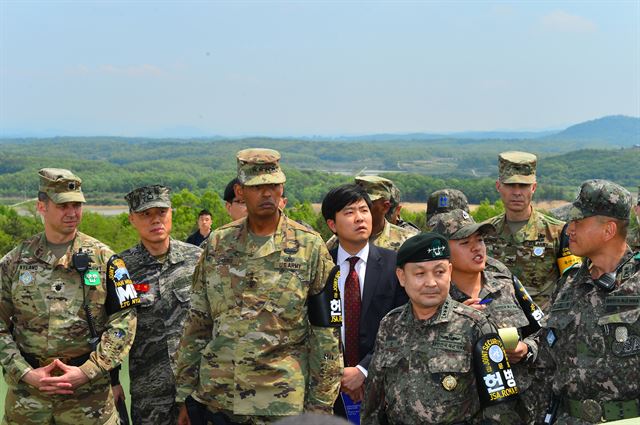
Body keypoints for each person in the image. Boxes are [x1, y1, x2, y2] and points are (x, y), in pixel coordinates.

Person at [174, 148, 342, 424]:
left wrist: (320, 407)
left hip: (279, 402)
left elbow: (326, 337)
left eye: (273, 186)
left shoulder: (309, 247)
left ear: (282, 188)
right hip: (218, 400)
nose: (267, 194)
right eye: (257, 187)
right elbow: (197, 323)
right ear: (240, 192)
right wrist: (185, 395)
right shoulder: (217, 244)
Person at [0, 168, 138, 425]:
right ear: (42, 206)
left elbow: (125, 320)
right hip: (28, 400)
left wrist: (89, 370)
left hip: (89, 400)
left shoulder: (106, 259)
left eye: (77, 205)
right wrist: (25, 372)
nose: (72, 213)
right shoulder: (14, 261)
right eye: (63, 205)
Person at [361, 233, 521, 424]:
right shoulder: (390, 324)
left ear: (450, 272)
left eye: (439, 272)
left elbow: (501, 408)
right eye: (420, 274)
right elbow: (373, 399)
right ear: (401, 276)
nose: (431, 283)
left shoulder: (476, 326)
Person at [431, 209, 544, 423]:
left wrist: (528, 348)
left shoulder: (505, 284)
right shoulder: (432, 298)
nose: (477, 247)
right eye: (465, 243)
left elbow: (544, 331)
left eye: (480, 240)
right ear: (442, 252)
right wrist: (455, 318)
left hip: (517, 414)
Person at [541, 179, 639, 424]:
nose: (569, 229)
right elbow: (546, 350)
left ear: (609, 230)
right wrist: (524, 349)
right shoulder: (568, 284)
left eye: (578, 222)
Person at [115, 185, 202, 425]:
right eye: (146, 214)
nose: (156, 220)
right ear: (132, 219)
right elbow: (113, 328)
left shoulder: (197, 260)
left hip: (198, 388)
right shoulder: (122, 268)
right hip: (149, 394)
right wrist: (113, 381)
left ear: (171, 213)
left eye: (161, 212)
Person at [320, 184, 407, 418]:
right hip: (328, 389)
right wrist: (340, 373)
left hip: (383, 384)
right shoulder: (320, 267)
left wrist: (362, 370)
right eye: (349, 212)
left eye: (364, 210)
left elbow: (404, 324)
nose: (360, 218)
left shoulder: (394, 265)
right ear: (332, 224)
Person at [484, 151, 568, 312]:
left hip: (542, 325)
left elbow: (570, 283)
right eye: (510, 185)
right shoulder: (483, 233)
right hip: (496, 322)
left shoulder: (558, 232)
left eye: (523, 186)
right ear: (498, 187)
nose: (517, 192)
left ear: (534, 187)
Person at [326, 176, 418, 252]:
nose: (359, 215)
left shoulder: (409, 242)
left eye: (366, 205)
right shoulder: (337, 242)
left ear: (385, 207)